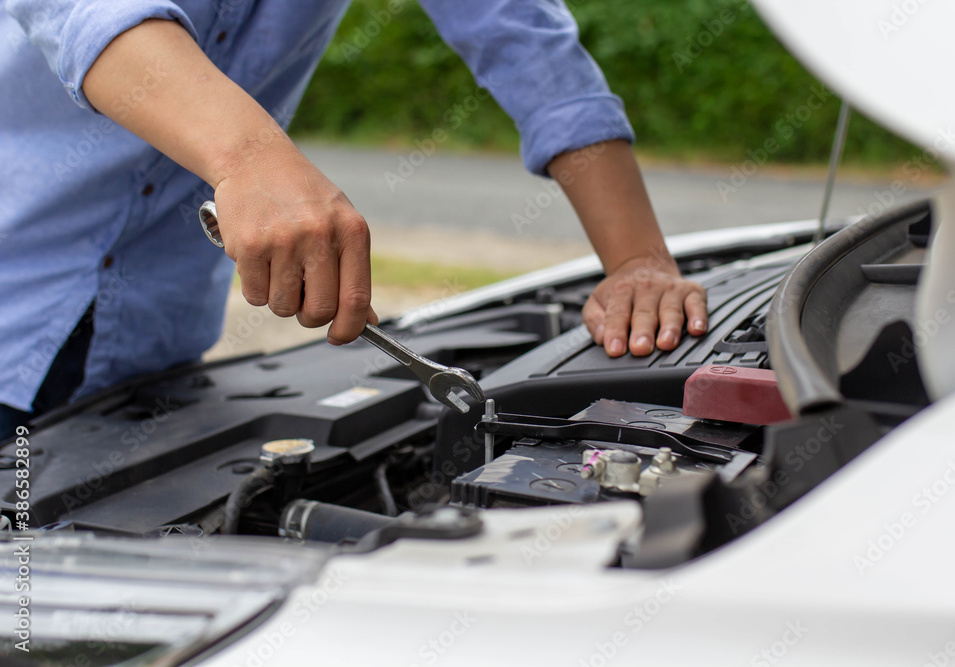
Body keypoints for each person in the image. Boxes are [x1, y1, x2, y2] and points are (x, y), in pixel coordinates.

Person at [0, 1, 708, 440]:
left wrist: (636, 259)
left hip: (145, 354)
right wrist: (250, 157)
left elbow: (524, 37)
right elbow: (87, 11)